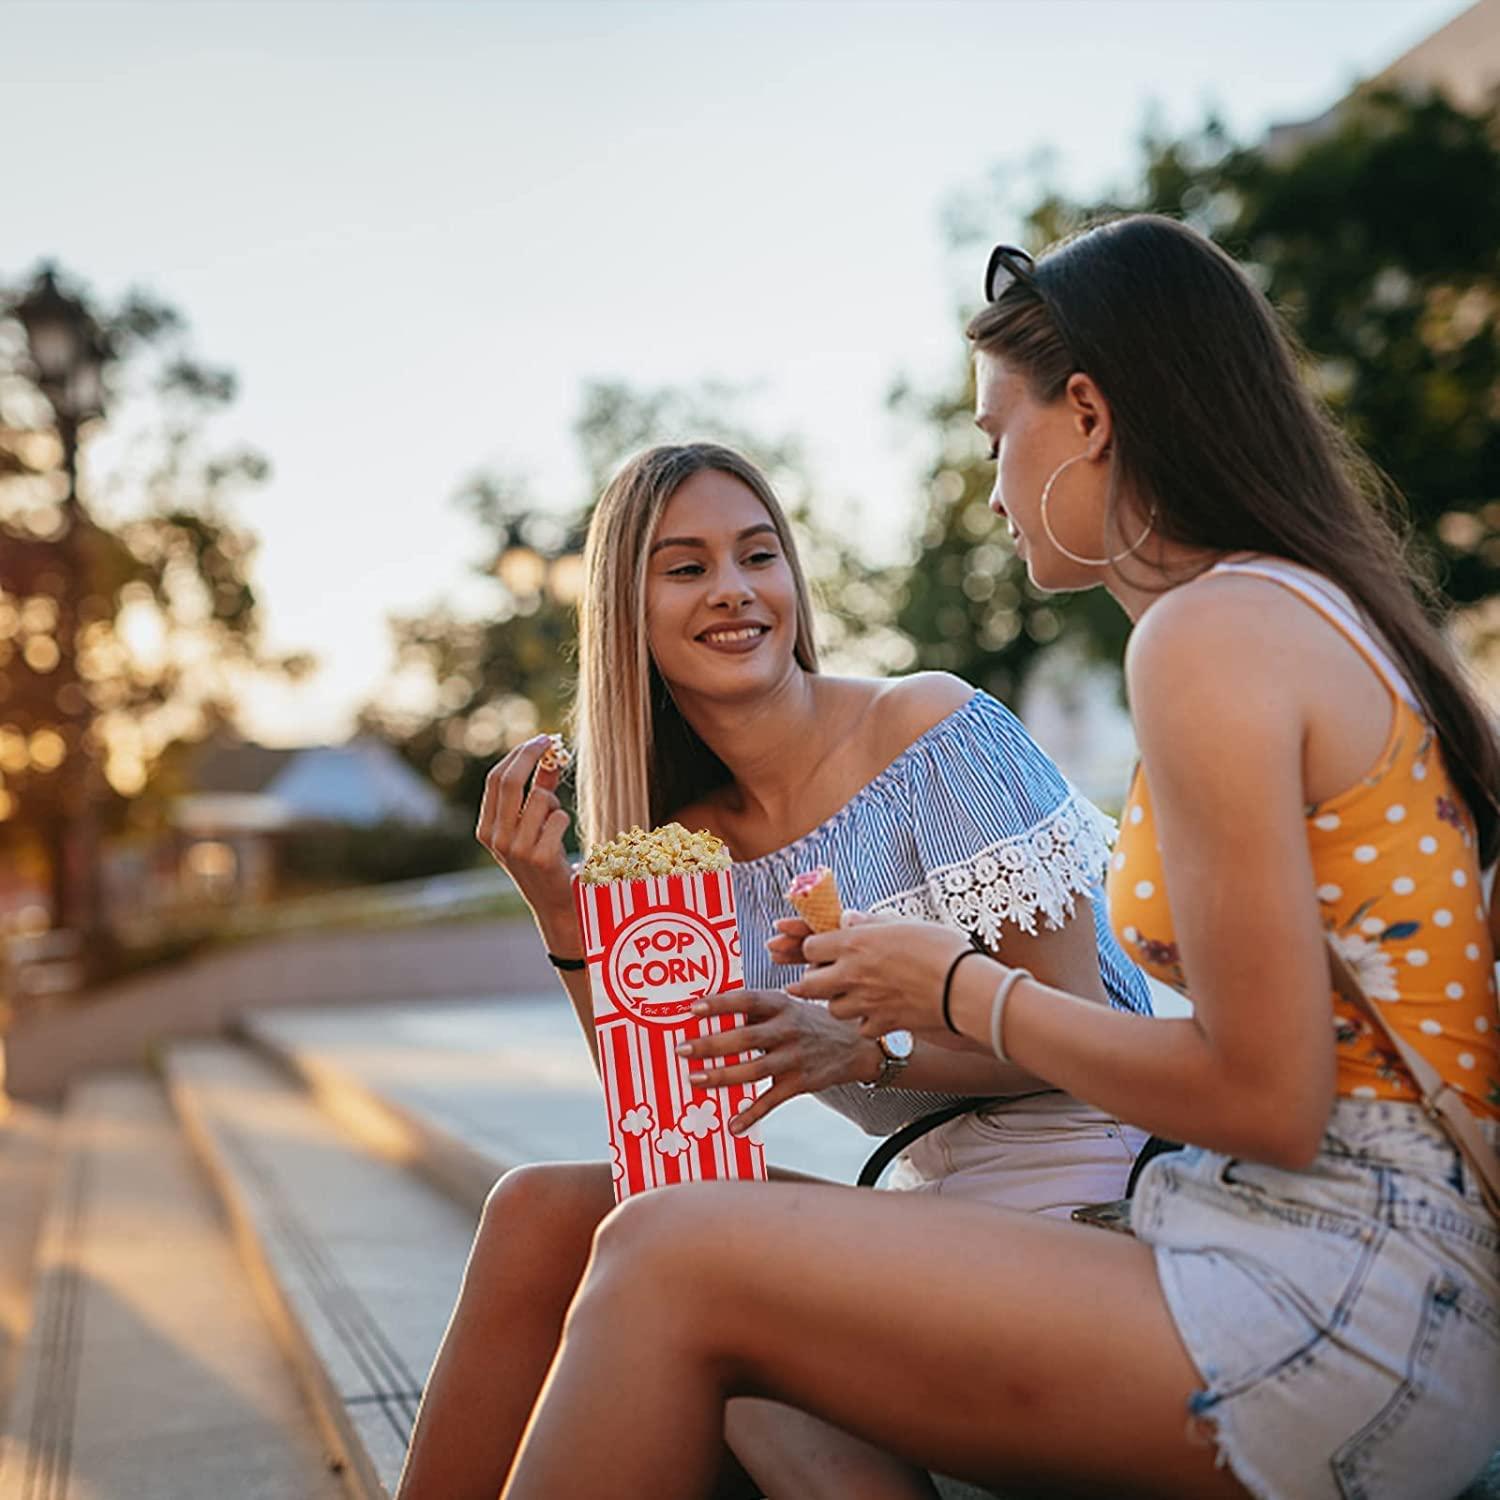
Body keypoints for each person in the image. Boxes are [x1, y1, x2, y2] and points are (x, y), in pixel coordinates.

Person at [494, 216, 1500, 1500]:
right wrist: (578, 917)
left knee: (668, 1256)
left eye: (992, 438)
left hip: (1335, 1300)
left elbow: (1264, 1098)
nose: (989, 485)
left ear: (1084, 415)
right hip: (1301, 1253)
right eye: (685, 566)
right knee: (618, 1238)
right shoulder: (1277, 613)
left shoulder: (1211, 638)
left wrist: (956, 993)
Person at [393, 440, 1154, 1500]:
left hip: (1102, 1194)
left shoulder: (931, 732)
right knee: (538, 1212)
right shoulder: (685, 845)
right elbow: (668, 1113)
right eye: (688, 566)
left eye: (759, 555)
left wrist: (872, 1048)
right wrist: (564, 909)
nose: (737, 591)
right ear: (627, 611)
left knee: (715, 1296)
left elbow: (1086, 1037)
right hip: (941, 1212)